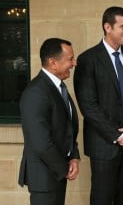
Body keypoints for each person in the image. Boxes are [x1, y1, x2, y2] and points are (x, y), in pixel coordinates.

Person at [73, 6, 123, 205]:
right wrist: (119, 135)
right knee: (102, 200)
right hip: (104, 145)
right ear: (107, 27)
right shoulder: (88, 59)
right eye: (122, 26)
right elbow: (88, 106)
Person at [18, 38, 80, 205]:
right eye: (70, 59)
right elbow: (41, 143)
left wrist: (73, 156)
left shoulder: (59, 87)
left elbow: (67, 126)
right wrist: (64, 168)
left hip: (57, 173)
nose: (74, 63)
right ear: (53, 63)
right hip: (44, 177)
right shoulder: (36, 92)